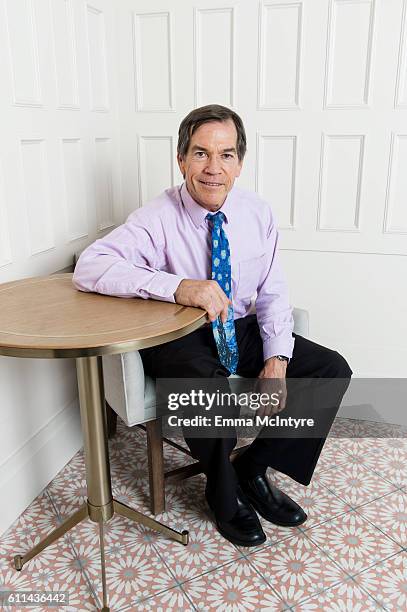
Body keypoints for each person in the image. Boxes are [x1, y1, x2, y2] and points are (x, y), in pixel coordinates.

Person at [72, 104, 352, 547]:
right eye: (200, 153)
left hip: (238, 325)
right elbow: (90, 267)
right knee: (206, 383)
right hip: (180, 334)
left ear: (240, 163)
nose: (212, 168)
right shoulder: (156, 217)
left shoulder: (257, 213)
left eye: (225, 155)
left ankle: (253, 468)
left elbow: (273, 291)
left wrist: (277, 359)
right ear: (181, 159)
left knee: (330, 369)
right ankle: (222, 491)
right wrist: (180, 286)